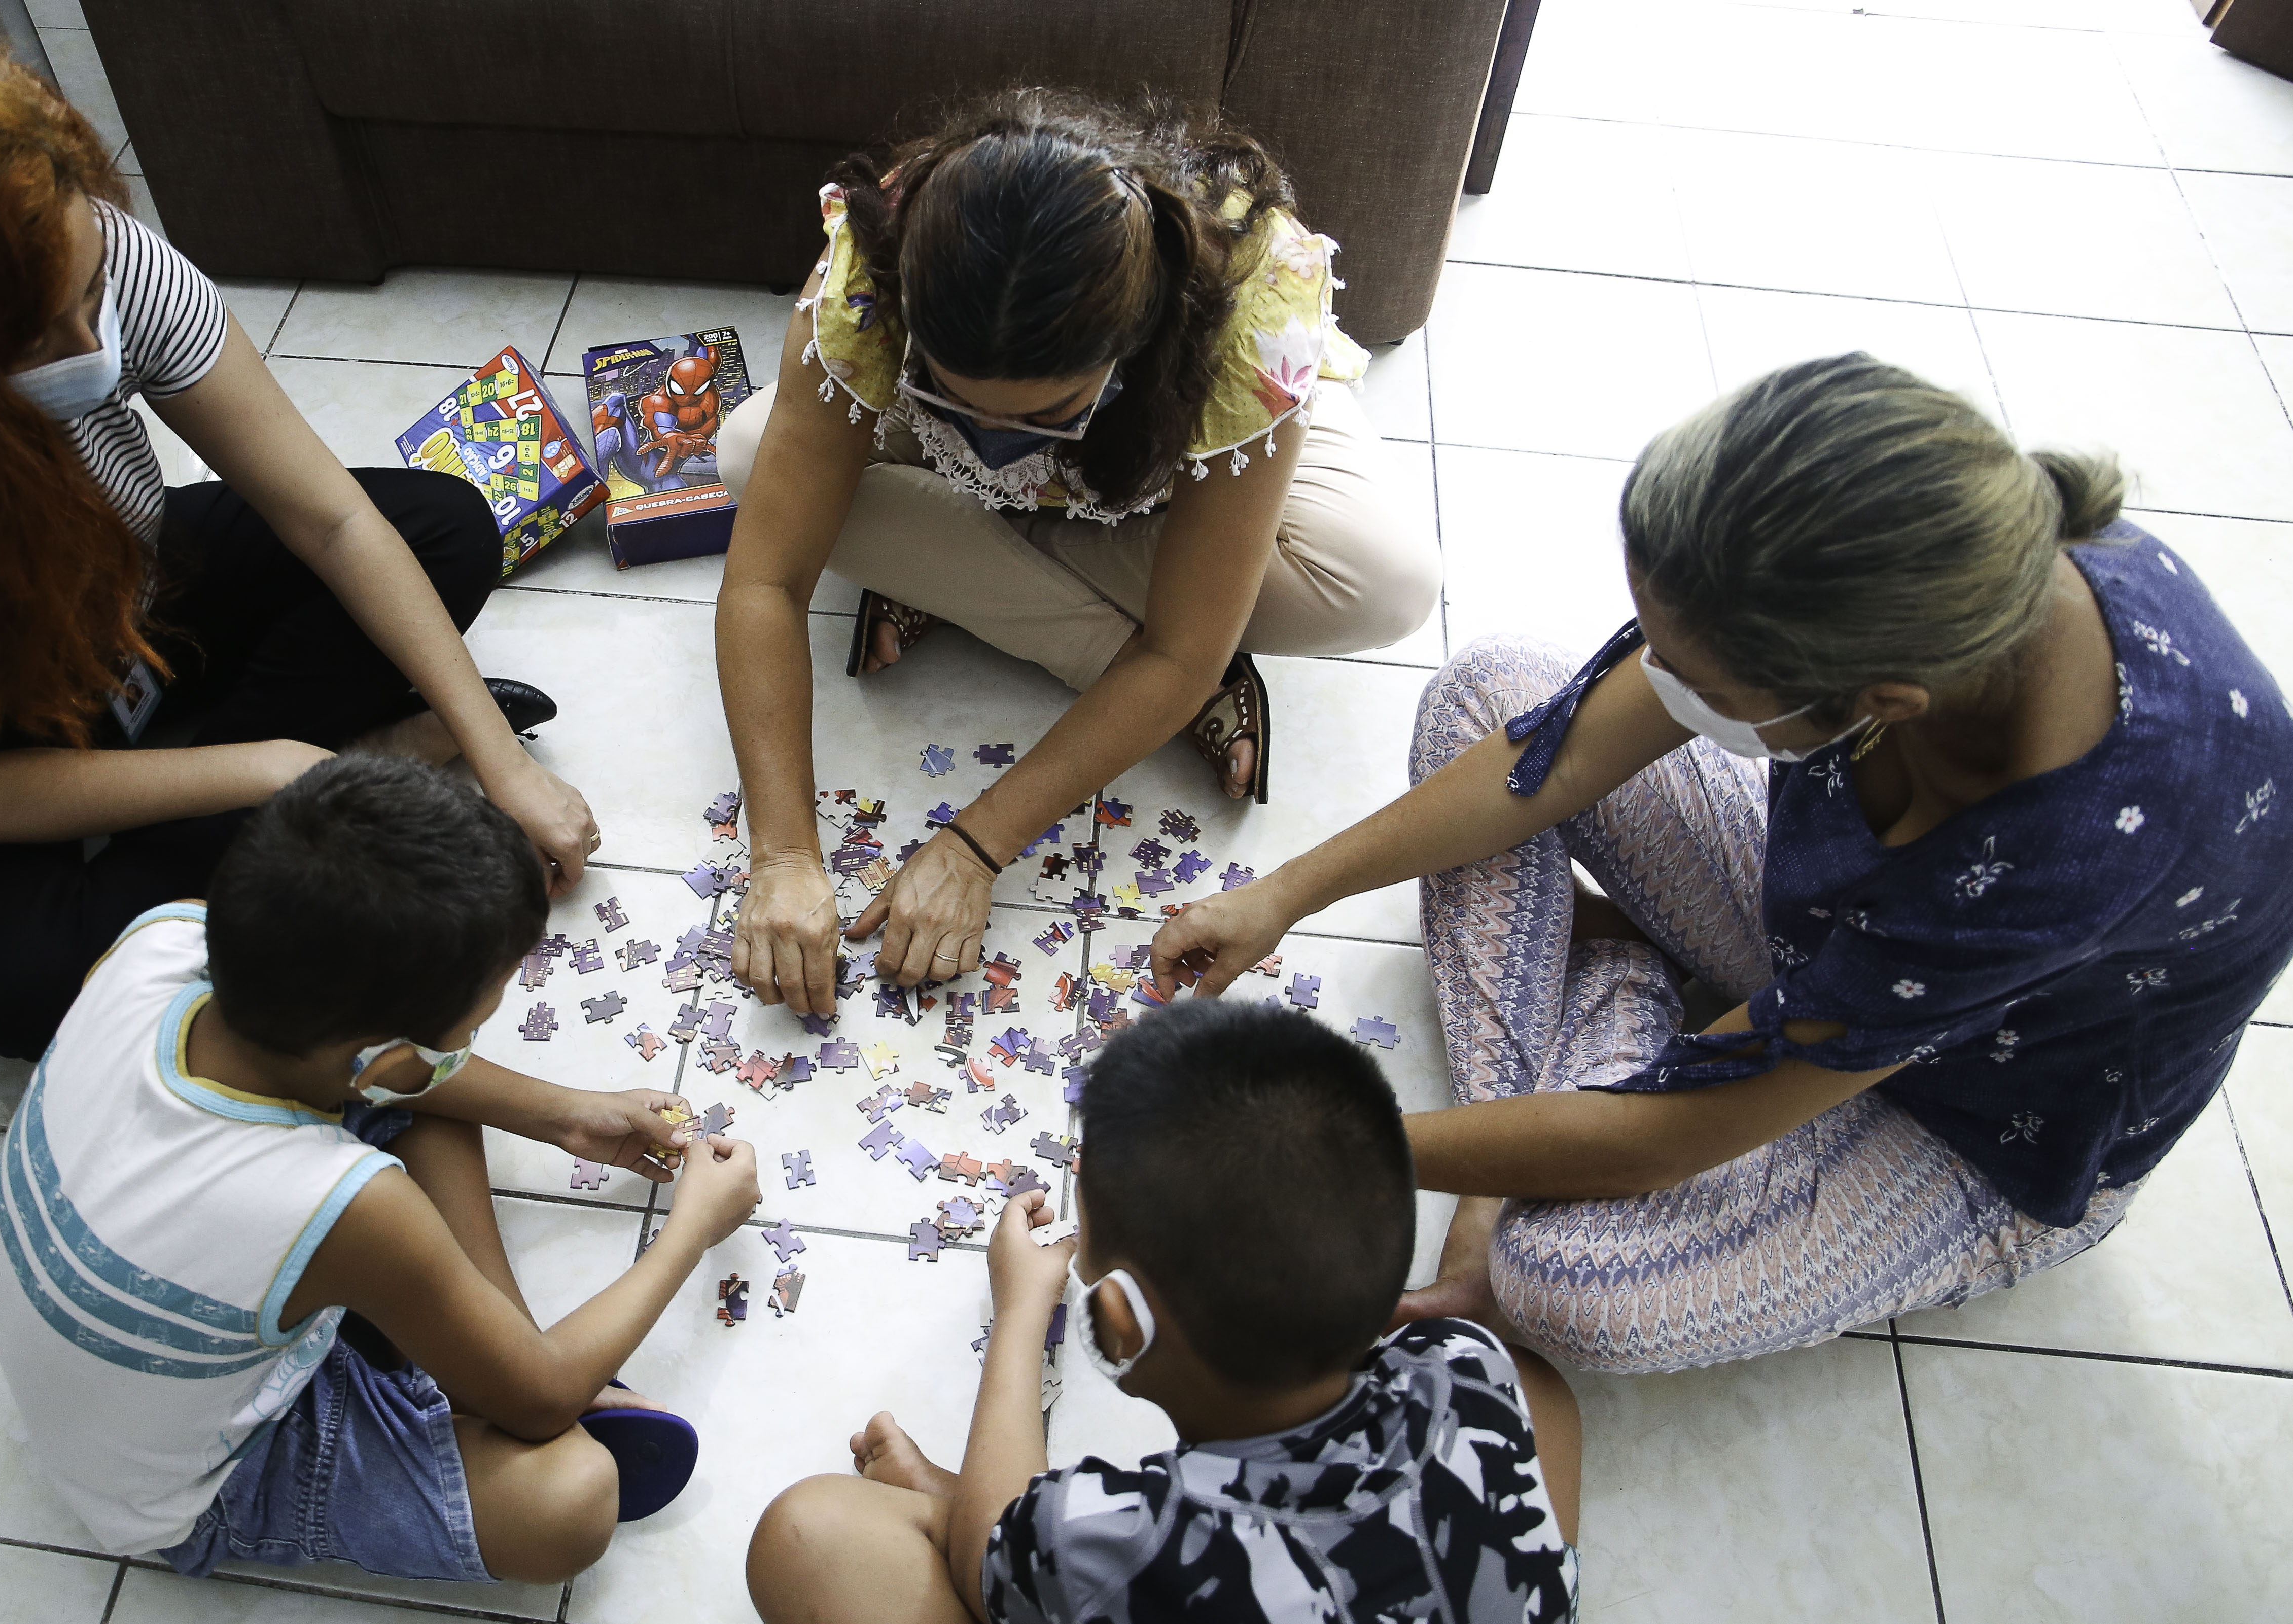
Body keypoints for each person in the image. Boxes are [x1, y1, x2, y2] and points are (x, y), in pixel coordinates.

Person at [1150, 355, 2293, 1374]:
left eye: (1710, 683)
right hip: (1840, 936)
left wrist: (1329, 1145)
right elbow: (1554, 757)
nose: (1668, 686)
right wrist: (1282, 891)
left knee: (1565, 1288)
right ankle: (1575, 1077)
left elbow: (1667, 1140)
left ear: (1883, 702)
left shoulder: (2078, 839)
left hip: (1985, 1113)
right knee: (1489, 693)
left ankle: (1589, 1040)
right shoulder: (1921, 572)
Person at [0, 18, 597, 1061]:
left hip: (112, 604)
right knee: (31, 989)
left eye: (88, 297)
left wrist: (501, 764)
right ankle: (280, 792)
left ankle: (232, 799)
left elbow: (332, 516)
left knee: (443, 525)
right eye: (30, 336)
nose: (90, 349)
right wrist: (275, 767)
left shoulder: (76, 238)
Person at [716, 88, 1440, 1018]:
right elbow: (765, 580)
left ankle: (949, 570)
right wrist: (780, 853)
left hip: (1187, 444)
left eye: (1040, 413)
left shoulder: (1248, 305)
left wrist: (973, 845)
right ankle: (1044, 596)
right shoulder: (884, 261)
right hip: (1093, 489)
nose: (990, 441)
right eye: (955, 403)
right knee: (745, 456)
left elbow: (1179, 650)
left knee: (1384, 585)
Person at [0, 754, 763, 1584]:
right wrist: (690, 1227)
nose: (467, 1039)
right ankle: (486, 1368)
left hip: (131, 1334)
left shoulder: (165, 935)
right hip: (186, 1491)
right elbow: (539, 1401)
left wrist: (561, 1111)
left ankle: (481, 1353)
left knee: (439, 1102)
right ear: (383, 1055)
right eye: (470, 1024)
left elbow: (406, 1076)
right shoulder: (347, 1204)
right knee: (568, 1496)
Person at [746, 999, 1579, 1623]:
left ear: (1118, 1324)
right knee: (1536, 1388)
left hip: (1085, 1555)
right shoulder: (1467, 1363)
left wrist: (1020, 1312)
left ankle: (960, 1506)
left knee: (807, 1534)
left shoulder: (1136, 1539)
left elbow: (986, 1560)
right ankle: (960, 1504)